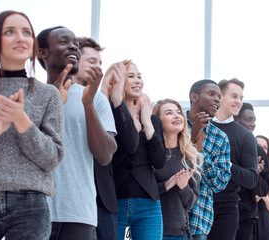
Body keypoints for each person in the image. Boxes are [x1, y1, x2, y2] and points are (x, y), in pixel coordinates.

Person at [0, 10, 64, 239]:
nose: (20, 38)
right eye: (10, 31)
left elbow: (52, 157)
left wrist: (22, 121)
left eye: (27, 32)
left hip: (31, 205)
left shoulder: (48, 94)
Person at [37, 26, 117, 240]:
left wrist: (88, 104)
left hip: (79, 214)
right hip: (32, 212)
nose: (73, 46)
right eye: (64, 42)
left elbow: (105, 155)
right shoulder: (30, 95)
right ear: (43, 52)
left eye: (75, 43)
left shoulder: (95, 98)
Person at [103, 60, 166, 240]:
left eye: (139, 76)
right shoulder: (107, 114)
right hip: (115, 198)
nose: (138, 80)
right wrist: (133, 131)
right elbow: (109, 159)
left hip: (148, 201)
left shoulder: (153, 120)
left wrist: (147, 124)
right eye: (130, 76)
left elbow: (160, 161)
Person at [73, 37, 127, 240]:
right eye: (91, 61)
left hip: (100, 199)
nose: (97, 68)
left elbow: (110, 153)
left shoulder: (99, 101)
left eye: (99, 63)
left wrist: (94, 98)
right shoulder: (52, 95)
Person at [209, 79, 258, 240]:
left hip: (226, 210)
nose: (239, 102)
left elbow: (251, 179)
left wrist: (226, 164)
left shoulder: (246, 136)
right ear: (220, 97)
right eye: (234, 96)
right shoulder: (199, 125)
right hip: (194, 203)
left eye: (241, 98)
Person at [186, 79, 232, 240]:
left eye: (219, 96)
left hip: (200, 217)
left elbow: (220, 183)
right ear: (194, 96)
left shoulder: (221, 138)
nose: (217, 100)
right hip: (169, 214)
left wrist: (200, 152)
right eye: (211, 94)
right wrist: (192, 140)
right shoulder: (174, 124)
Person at [153, 99, 202, 240]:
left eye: (179, 112)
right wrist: (166, 185)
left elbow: (191, 203)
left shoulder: (192, 156)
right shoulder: (149, 154)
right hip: (150, 229)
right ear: (157, 121)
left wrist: (183, 187)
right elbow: (141, 192)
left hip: (179, 233)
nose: (177, 116)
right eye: (169, 113)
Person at [234, 102, 269, 240]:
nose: (253, 124)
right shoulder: (224, 145)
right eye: (248, 120)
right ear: (235, 120)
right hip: (221, 213)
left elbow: (263, 190)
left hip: (246, 217)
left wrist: (254, 175)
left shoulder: (258, 150)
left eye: (254, 120)